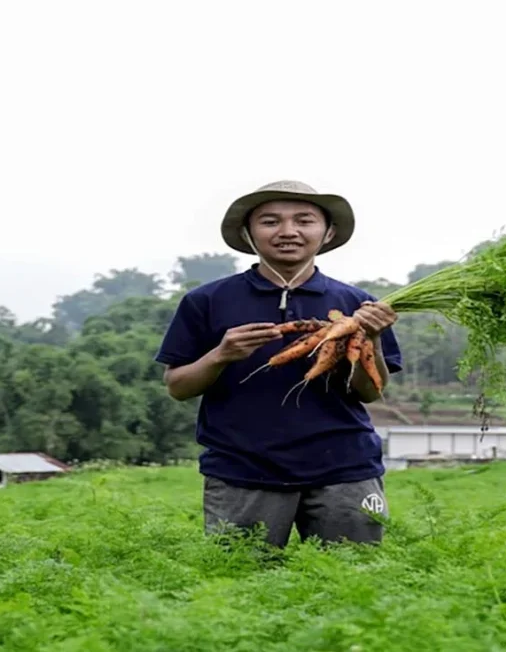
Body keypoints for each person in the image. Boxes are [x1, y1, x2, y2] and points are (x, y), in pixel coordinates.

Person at [155, 180, 403, 548]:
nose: (288, 232)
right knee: (241, 587)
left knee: (354, 583)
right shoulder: (207, 301)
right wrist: (220, 355)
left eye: (304, 221)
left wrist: (373, 339)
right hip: (243, 470)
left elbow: (371, 393)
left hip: (345, 468)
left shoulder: (358, 304)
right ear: (249, 233)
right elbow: (178, 387)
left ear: (327, 232)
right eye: (270, 222)